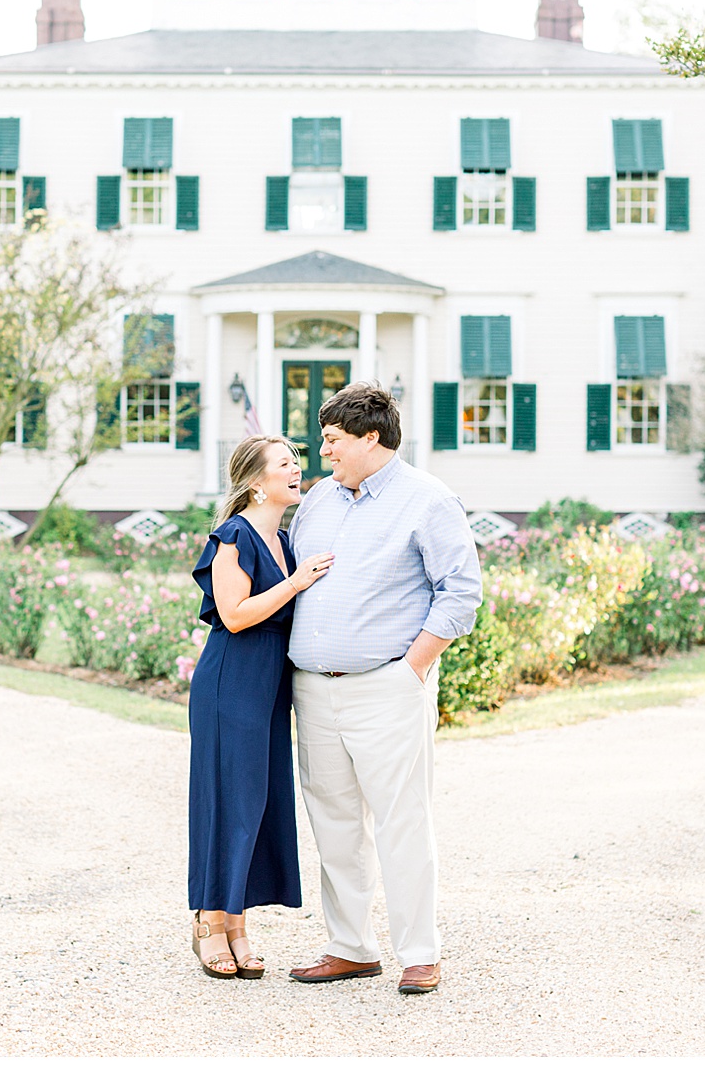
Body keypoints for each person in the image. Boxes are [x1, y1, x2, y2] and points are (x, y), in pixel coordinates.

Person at [285, 382, 482, 995]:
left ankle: (419, 953)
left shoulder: (428, 500)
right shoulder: (318, 500)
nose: (324, 453)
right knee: (333, 824)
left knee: (402, 820)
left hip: (388, 687)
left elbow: (461, 591)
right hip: (314, 691)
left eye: (334, 440)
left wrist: (413, 668)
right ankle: (350, 947)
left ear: (372, 437)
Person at [187, 434, 334, 979]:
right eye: (284, 465)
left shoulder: (288, 539)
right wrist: (296, 584)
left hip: (272, 687)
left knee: (256, 805)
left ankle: (239, 924)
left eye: (297, 462)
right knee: (227, 802)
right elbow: (234, 614)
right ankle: (209, 922)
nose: (297, 471)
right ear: (255, 482)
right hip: (232, 684)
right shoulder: (235, 536)